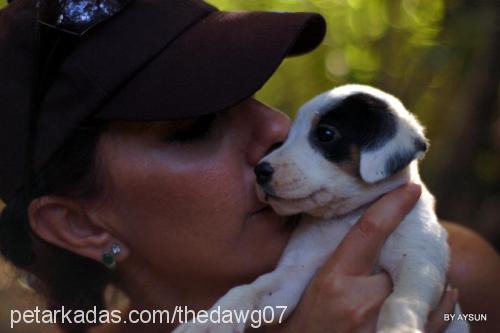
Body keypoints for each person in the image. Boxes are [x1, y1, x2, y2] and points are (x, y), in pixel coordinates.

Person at [0, 0, 498, 332]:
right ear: (78, 223)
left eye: (250, 92)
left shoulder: (460, 273)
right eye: (192, 128)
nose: (278, 131)